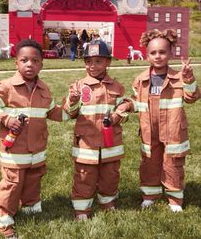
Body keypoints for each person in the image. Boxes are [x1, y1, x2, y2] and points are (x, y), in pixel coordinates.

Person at [0, 39, 69, 238]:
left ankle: (30, 209)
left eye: (35, 61)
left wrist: (72, 107)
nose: (30, 64)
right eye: (24, 60)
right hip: (15, 150)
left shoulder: (44, 89)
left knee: (33, 179)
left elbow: (54, 112)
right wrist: (5, 118)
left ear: (42, 64)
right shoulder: (7, 86)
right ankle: (4, 222)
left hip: (37, 150)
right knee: (12, 184)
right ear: (16, 63)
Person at [121, 29, 200, 212]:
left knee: (173, 164)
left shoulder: (178, 78)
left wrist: (188, 78)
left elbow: (192, 97)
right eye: (153, 53)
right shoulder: (140, 80)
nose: (158, 56)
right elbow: (137, 102)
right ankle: (150, 195)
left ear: (170, 53)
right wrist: (127, 105)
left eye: (162, 52)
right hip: (149, 130)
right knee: (149, 163)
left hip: (173, 131)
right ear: (147, 55)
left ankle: (174, 199)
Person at [63, 40, 129, 221]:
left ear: (108, 62)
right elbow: (70, 112)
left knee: (111, 174)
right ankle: (81, 208)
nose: (93, 66)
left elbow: (124, 108)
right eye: (89, 61)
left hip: (111, 142)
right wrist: (73, 99)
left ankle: (108, 201)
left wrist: (117, 116)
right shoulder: (78, 86)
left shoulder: (116, 86)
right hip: (86, 142)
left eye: (98, 61)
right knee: (84, 175)